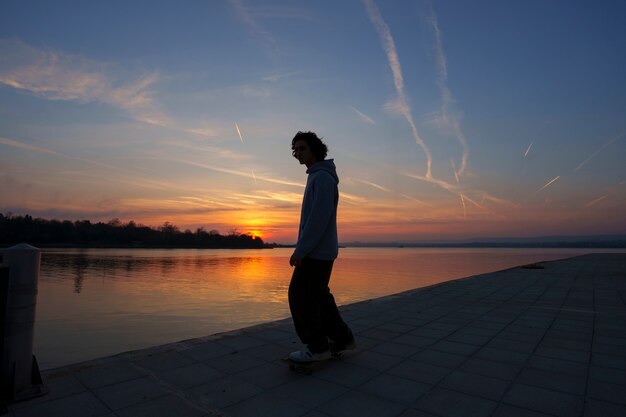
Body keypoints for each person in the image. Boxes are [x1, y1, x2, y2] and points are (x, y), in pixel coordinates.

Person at [288, 131, 356, 362]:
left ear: (314, 149)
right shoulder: (317, 176)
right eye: (295, 149)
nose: (297, 153)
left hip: (316, 253)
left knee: (300, 297)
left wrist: (301, 250)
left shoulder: (323, 179)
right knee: (319, 297)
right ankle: (342, 339)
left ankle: (317, 347)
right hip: (320, 251)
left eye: (302, 148)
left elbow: (318, 220)